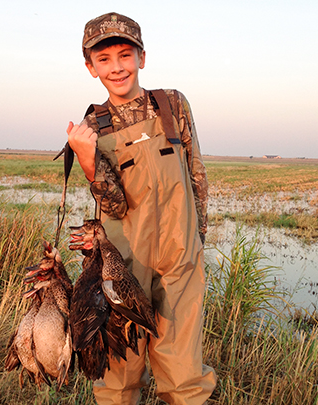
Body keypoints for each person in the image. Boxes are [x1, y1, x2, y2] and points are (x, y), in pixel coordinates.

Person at [66, 12, 217, 405]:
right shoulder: (92, 125)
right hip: (123, 265)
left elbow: (196, 175)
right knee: (119, 374)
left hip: (180, 258)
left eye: (125, 55)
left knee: (183, 372)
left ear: (142, 58)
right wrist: (86, 157)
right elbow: (114, 204)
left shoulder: (171, 105)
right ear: (91, 68)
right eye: (104, 59)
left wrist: (196, 241)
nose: (117, 67)